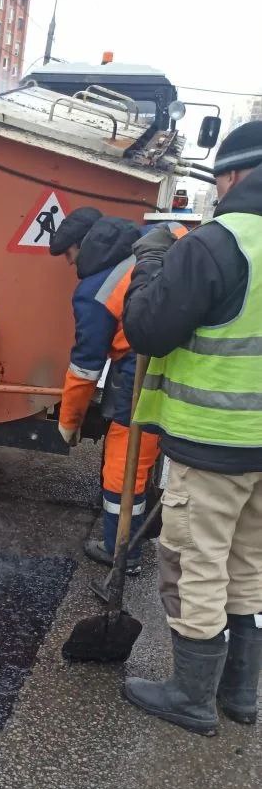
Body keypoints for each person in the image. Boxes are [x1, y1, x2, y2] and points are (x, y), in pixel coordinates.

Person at [122, 121, 262, 735]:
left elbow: (149, 331)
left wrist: (151, 271)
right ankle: (241, 696)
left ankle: (192, 697)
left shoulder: (217, 244)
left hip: (213, 443)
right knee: (249, 565)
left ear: (232, 176)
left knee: (197, 565)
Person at [49, 207, 160, 574]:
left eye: (68, 254)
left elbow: (85, 367)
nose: (69, 263)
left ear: (82, 245)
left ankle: (121, 554)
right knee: (145, 456)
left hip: (143, 367)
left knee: (124, 462)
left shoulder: (96, 290)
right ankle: (136, 535)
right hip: (173, 362)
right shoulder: (142, 247)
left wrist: (69, 420)